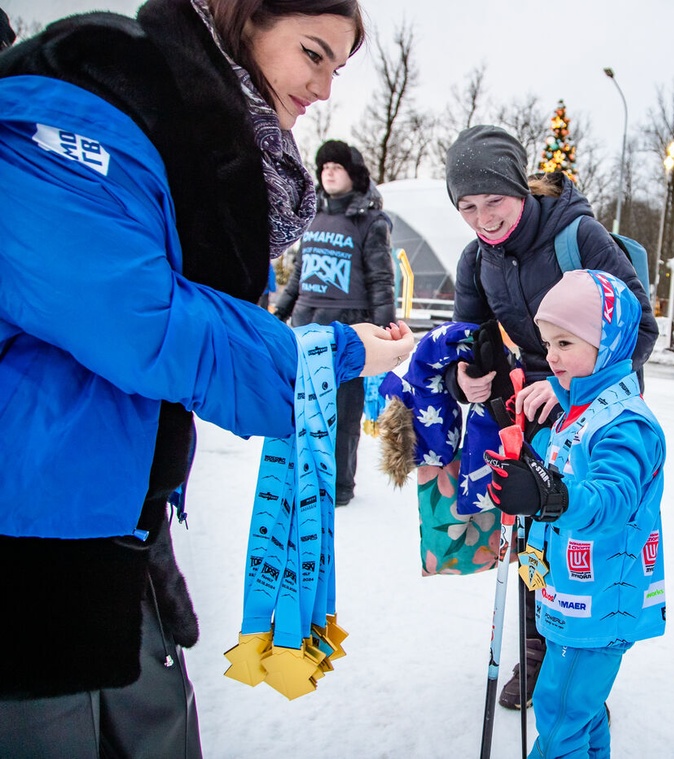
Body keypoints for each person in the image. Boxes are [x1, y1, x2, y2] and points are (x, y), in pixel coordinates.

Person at [0, 2, 413, 757]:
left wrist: (347, 344)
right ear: (244, 18)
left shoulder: (186, 144)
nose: (323, 87)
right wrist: (326, 355)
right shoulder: (82, 100)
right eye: (312, 53)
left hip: (108, 530)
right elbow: (145, 321)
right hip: (28, 548)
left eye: (337, 68)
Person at [444, 124, 659, 709]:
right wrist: (462, 376)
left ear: (521, 188)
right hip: (530, 414)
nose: (484, 219)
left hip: (594, 413)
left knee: (588, 532)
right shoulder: (476, 259)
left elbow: (638, 327)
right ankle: (538, 653)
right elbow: (469, 337)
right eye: (468, 207)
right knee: (536, 533)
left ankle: (583, 660)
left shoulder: (577, 235)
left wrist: (567, 389)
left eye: (495, 201)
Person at [484, 270, 667, 758]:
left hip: (602, 602)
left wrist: (548, 496)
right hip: (567, 593)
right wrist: (520, 460)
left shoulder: (626, 423)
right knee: (582, 712)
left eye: (566, 341)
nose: (553, 356)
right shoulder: (574, 406)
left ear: (608, 342)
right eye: (547, 343)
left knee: (562, 712)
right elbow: (548, 469)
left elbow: (611, 498)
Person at [275, 139, 397, 506]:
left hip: (348, 330)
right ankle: (300, 479)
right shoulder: (311, 216)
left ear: (354, 174)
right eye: (324, 165)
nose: (328, 171)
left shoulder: (371, 221)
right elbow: (299, 273)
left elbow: (381, 279)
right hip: (305, 325)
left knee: (344, 415)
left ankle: (340, 485)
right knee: (301, 408)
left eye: (337, 166)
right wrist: (280, 311)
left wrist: (386, 330)